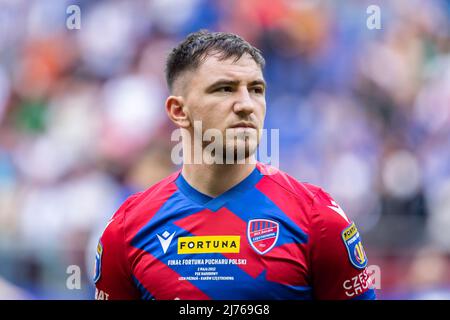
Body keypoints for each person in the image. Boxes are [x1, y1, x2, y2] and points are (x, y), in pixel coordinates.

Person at [93, 30, 376, 300]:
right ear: (179, 111)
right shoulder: (128, 229)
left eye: (256, 89)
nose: (246, 105)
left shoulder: (318, 219)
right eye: (224, 89)